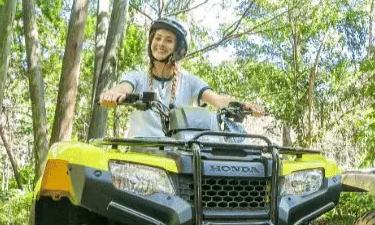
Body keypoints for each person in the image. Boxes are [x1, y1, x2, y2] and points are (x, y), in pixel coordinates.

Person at [98, 18, 264, 137]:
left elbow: (218, 100)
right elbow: (123, 88)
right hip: (142, 153)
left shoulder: (190, 82)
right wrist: (112, 94)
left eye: (168, 40)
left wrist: (243, 106)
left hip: (176, 155)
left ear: (179, 50)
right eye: (157, 38)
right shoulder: (136, 77)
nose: (160, 43)